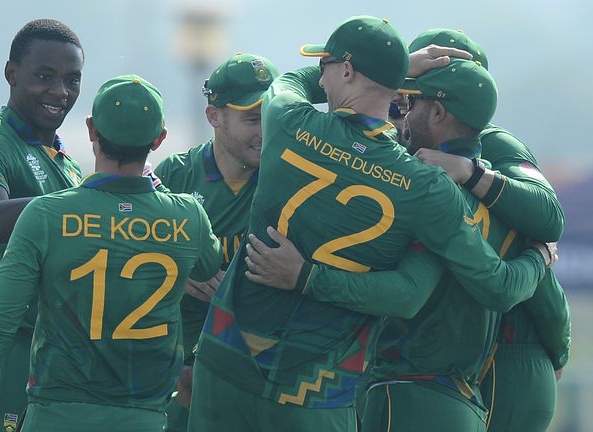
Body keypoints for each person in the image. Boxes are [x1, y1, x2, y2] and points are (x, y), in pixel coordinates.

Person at [187, 16, 551, 432]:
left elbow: (290, 81)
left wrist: (399, 68)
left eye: (327, 65)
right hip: (315, 391)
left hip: (225, 362)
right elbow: (457, 290)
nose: (321, 80)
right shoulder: (426, 185)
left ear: (345, 71)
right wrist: (538, 258)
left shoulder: (287, 121)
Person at [0, 75, 223, 432]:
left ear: (92, 130)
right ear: (159, 140)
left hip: (58, 414)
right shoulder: (188, 215)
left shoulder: (46, 215)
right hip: (145, 417)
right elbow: (208, 263)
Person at [407, 29, 571, 432]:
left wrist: (469, 171)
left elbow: (547, 222)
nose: (401, 104)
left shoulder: (492, 144)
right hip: (439, 356)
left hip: (508, 351)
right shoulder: (400, 139)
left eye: (411, 96)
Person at [0, 19, 84, 432]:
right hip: (0, 348)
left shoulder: (67, 163)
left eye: (72, 80)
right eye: (45, 77)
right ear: (12, 74)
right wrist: (84, 204)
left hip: (56, 354)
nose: (60, 92)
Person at [153, 52, 279, 432]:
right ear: (214, 117)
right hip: (176, 371)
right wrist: (174, 273)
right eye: (252, 119)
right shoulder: (174, 176)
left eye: (272, 117)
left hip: (258, 371)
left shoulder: (289, 180)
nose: (265, 131)